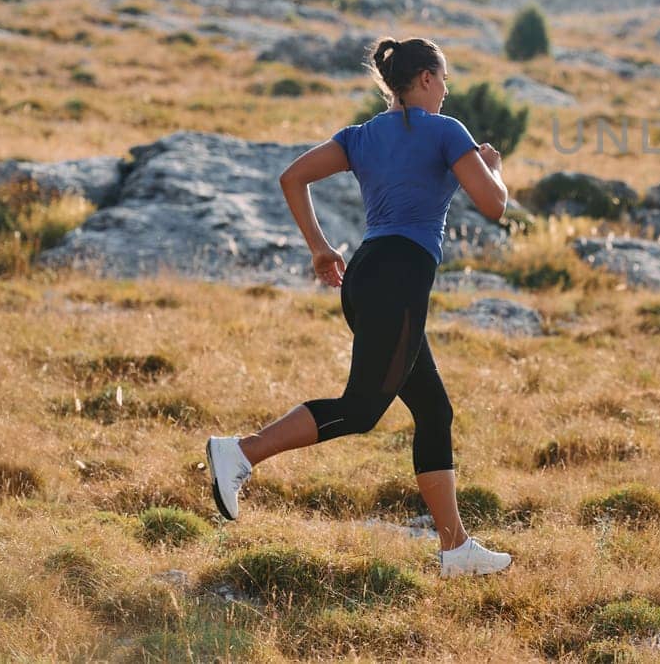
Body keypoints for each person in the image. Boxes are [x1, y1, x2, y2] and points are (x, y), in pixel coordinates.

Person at [204, 36, 515, 578]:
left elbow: (292, 177)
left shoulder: (362, 136)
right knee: (363, 408)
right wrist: (493, 166)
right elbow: (494, 205)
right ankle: (240, 452)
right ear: (423, 80)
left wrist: (321, 248)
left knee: (434, 411)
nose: (445, 92)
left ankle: (456, 547)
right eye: (442, 81)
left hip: (369, 275)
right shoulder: (447, 131)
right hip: (398, 281)